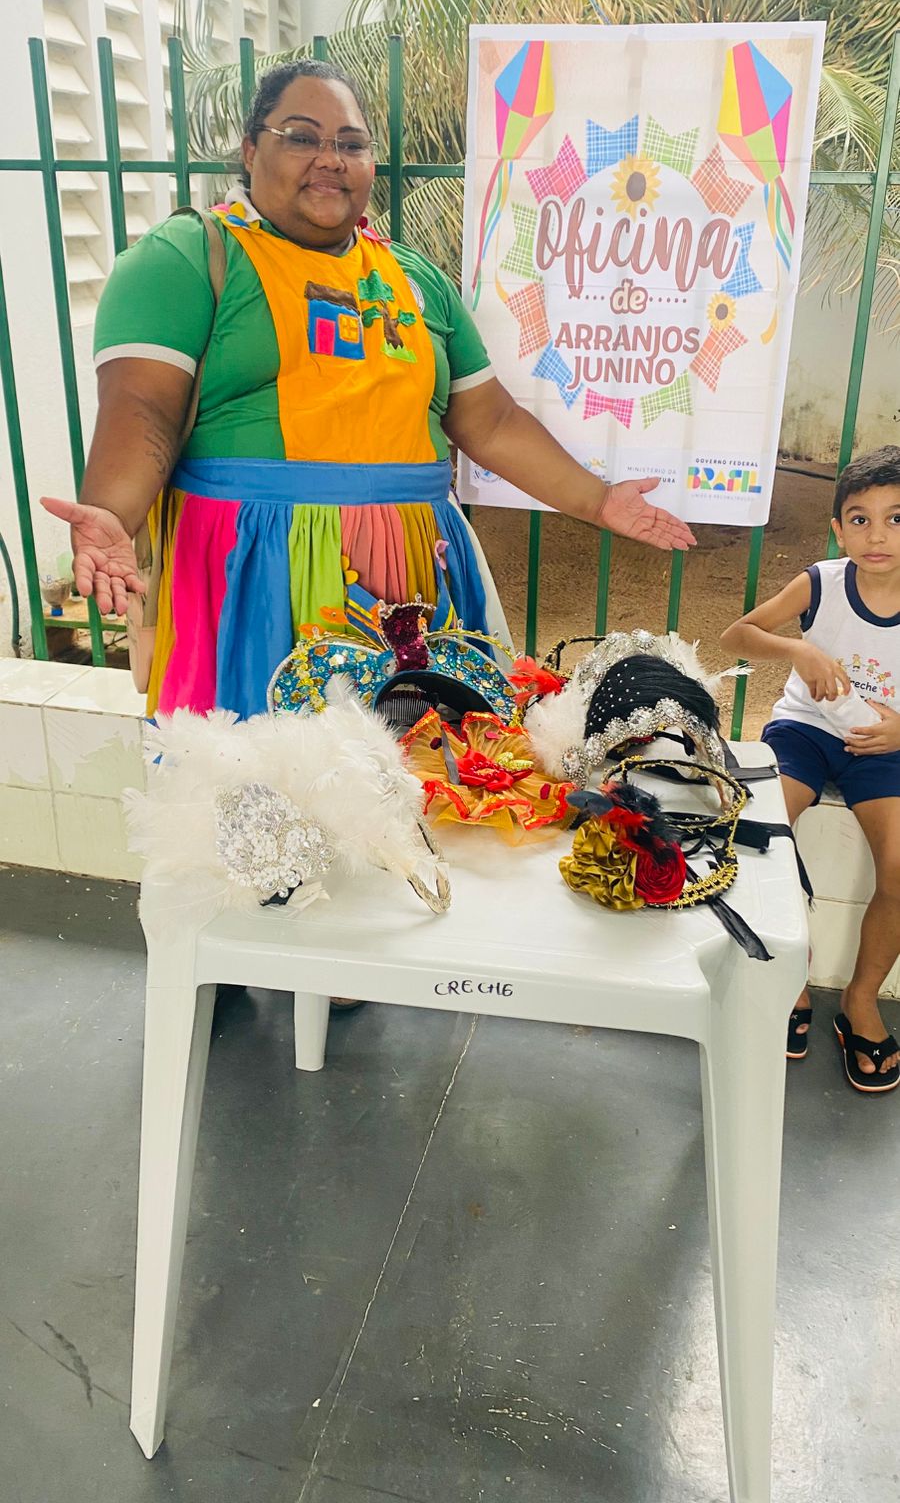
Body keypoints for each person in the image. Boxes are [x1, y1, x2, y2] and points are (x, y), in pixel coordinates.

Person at [41, 58, 693, 722]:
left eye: (351, 144)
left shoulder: (414, 278)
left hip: (420, 576)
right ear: (250, 150)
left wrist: (598, 500)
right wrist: (113, 513)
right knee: (266, 766)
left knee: (430, 767)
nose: (330, 158)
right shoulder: (187, 257)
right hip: (257, 571)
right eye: (302, 136)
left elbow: (490, 422)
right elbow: (143, 408)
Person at [721, 446, 900, 1093]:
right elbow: (736, 636)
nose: (877, 535)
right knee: (762, 835)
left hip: (883, 747)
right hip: (804, 731)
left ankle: (860, 999)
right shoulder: (822, 582)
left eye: (896, 518)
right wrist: (798, 649)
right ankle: (791, 977)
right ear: (838, 529)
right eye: (860, 519)